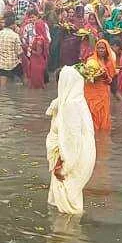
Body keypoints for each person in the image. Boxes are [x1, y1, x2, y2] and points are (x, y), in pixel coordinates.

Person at [46, 66, 97, 215]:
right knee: (63, 204)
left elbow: (71, 140)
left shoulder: (70, 106)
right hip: (76, 158)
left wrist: (63, 167)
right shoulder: (75, 101)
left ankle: (68, 234)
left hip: (68, 162)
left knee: (68, 209)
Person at [82, 39, 118, 132]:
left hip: (104, 93)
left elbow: (110, 78)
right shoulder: (91, 61)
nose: (100, 50)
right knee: (93, 114)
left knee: (103, 117)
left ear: (106, 49)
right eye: (98, 48)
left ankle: (102, 137)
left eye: (102, 48)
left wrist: (106, 77)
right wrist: (99, 76)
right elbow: (89, 78)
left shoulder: (108, 61)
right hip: (93, 94)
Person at [0, 15, 24, 84]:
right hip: (14, 64)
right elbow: (19, 51)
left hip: (1, 64)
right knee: (21, 82)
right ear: (12, 25)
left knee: (3, 87)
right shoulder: (15, 35)